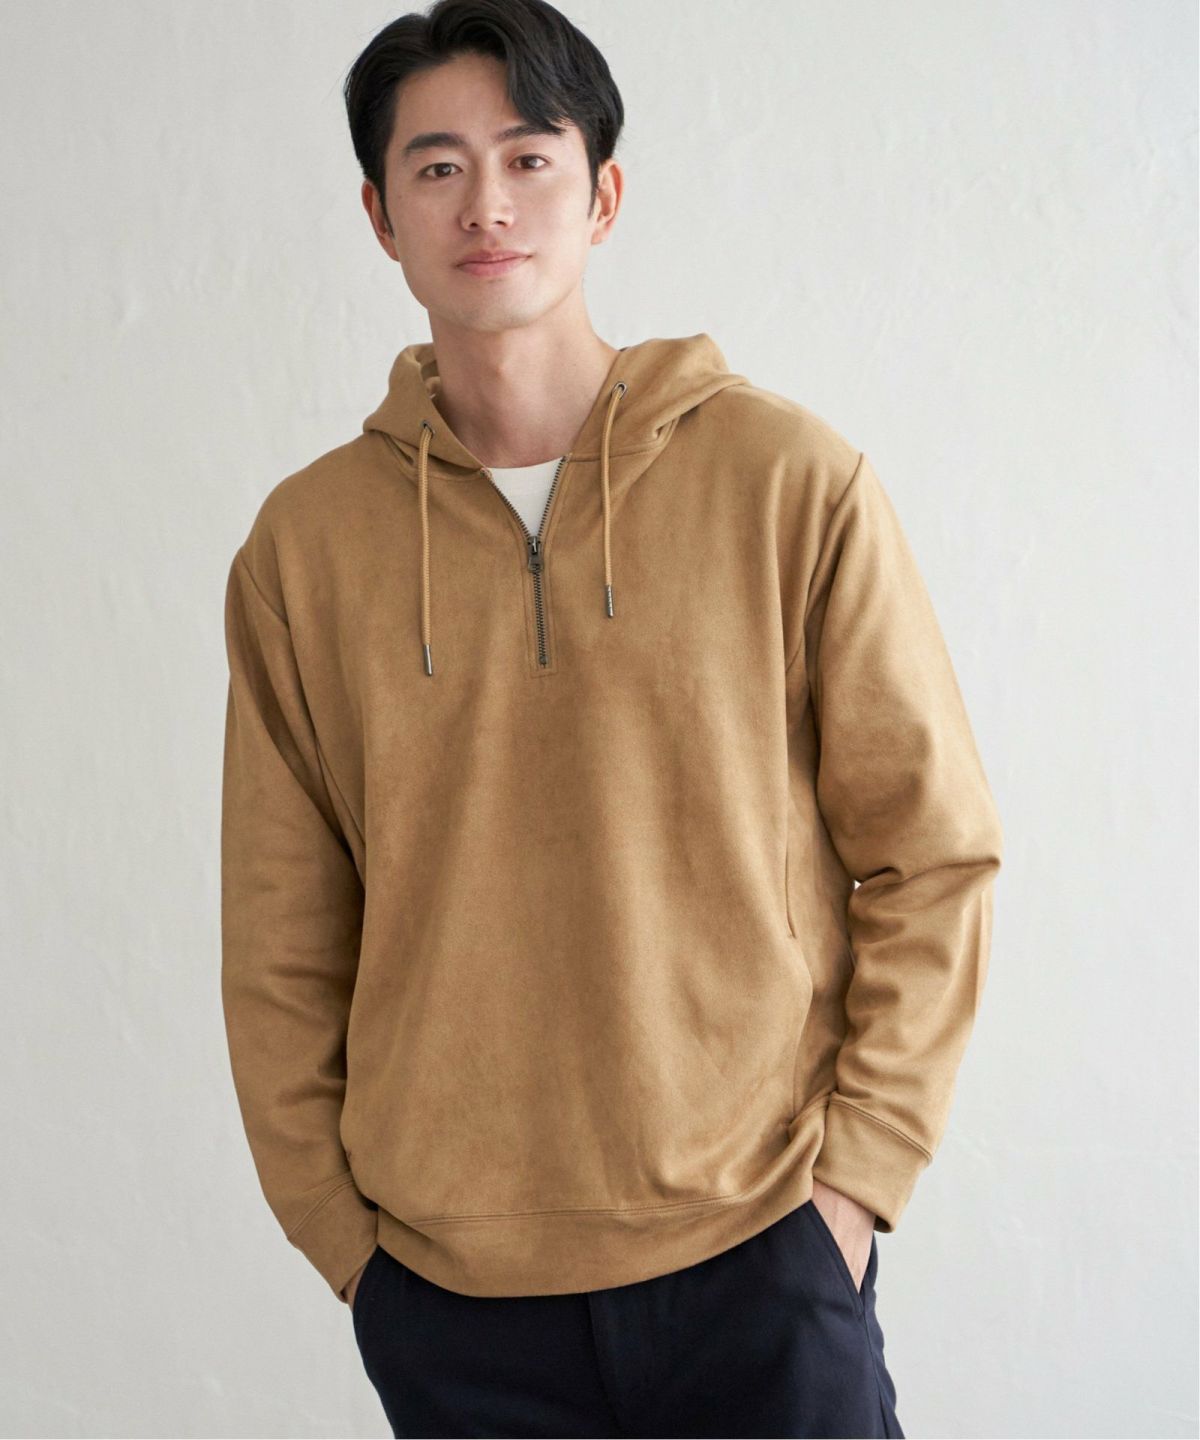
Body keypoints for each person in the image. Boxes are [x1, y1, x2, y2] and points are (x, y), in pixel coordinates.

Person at [219, 1, 1003, 1435]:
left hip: (762, 1249)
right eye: (438, 166)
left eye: (530, 157)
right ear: (380, 215)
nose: (487, 204)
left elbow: (931, 851)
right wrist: (349, 1248)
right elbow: (282, 935)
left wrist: (856, 1182)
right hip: (454, 1299)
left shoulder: (787, 482)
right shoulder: (305, 550)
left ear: (604, 195)